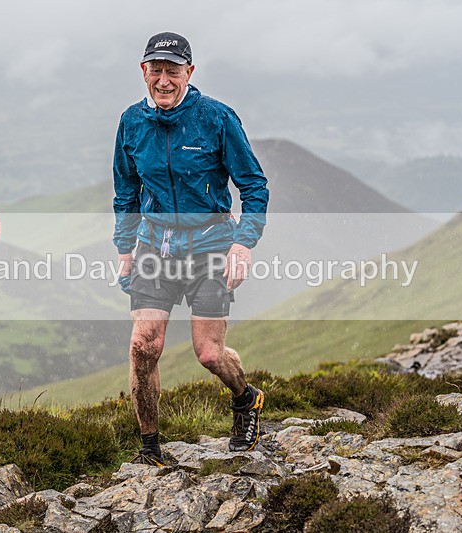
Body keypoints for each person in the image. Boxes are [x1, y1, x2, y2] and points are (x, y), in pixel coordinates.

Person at [113, 32, 269, 465]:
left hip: (212, 245)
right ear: (143, 71)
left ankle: (246, 398)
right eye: (155, 70)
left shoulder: (216, 118)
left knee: (209, 353)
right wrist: (126, 246)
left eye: (173, 71)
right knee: (144, 344)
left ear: (189, 73)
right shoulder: (131, 122)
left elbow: (253, 185)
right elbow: (125, 189)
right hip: (153, 245)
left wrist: (243, 244)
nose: (163, 80)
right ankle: (150, 448)